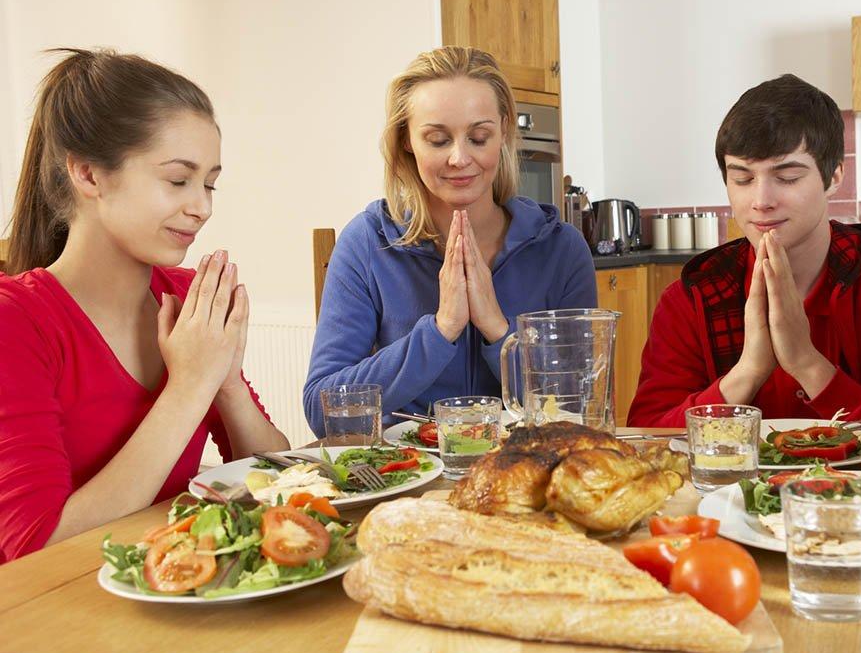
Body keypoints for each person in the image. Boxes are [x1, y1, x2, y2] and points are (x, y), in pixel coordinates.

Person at [0, 49, 288, 563]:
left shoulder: (184, 294)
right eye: (178, 180)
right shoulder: (16, 320)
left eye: (210, 183)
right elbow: (33, 548)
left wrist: (225, 382)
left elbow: (278, 481)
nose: (202, 206)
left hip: (181, 589)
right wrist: (190, 384)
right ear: (88, 175)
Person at [627, 74, 861, 429]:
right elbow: (648, 437)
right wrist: (747, 373)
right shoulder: (689, 301)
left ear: (834, 177)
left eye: (787, 178)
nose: (761, 201)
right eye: (742, 179)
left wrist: (808, 365)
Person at [303, 47, 596, 432]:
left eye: (479, 137)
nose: (459, 158)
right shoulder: (366, 242)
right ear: (407, 139)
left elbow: (579, 407)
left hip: (524, 473)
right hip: (408, 477)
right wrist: (440, 331)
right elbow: (322, 411)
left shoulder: (562, 249)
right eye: (438, 139)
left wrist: (497, 328)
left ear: (504, 131)